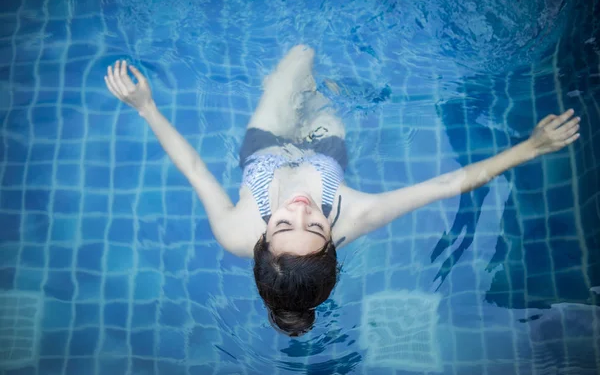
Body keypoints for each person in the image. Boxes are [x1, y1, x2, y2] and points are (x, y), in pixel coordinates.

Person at [104, 45, 581, 336]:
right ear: (333, 242)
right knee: (319, 88)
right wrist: (531, 147)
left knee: (297, 58)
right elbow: (447, 184)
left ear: (261, 241)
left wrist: (145, 106)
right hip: (322, 147)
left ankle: (306, 83)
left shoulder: (234, 232)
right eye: (315, 225)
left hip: (263, 147)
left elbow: (192, 167)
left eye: (284, 224)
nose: (301, 207)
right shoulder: (355, 214)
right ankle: (331, 91)